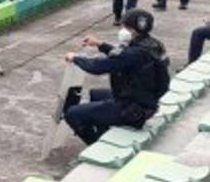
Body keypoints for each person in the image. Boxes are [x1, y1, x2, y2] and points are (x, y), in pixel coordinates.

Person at [63, 8, 169, 145]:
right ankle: (103, 134)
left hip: (132, 110)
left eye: (126, 27)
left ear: (133, 30)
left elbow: (97, 67)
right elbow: (121, 56)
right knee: (95, 94)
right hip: (145, 100)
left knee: (72, 113)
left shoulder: (134, 53)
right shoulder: (152, 44)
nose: (123, 30)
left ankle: (95, 146)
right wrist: (100, 44)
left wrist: (75, 58)